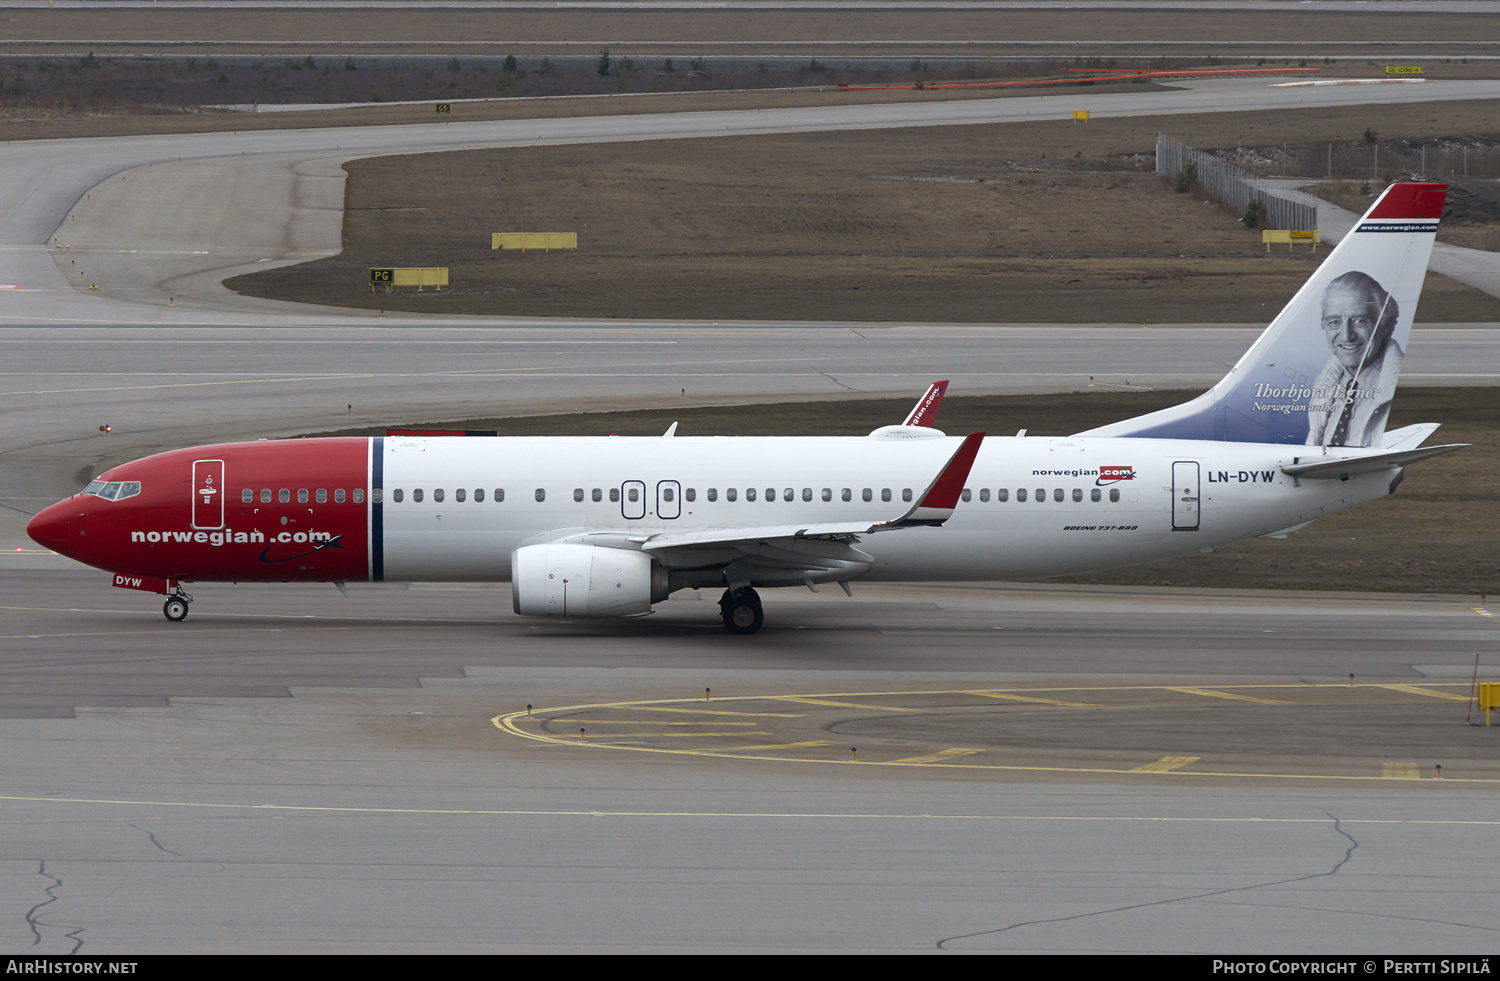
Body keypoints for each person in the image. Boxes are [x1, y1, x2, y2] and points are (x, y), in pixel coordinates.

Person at [1305, 271, 1403, 447]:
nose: (1346, 336)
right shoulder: (1325, 386)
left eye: (1359, 321)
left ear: (1385, 327)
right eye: (1334, 322)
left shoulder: (1397, 386)